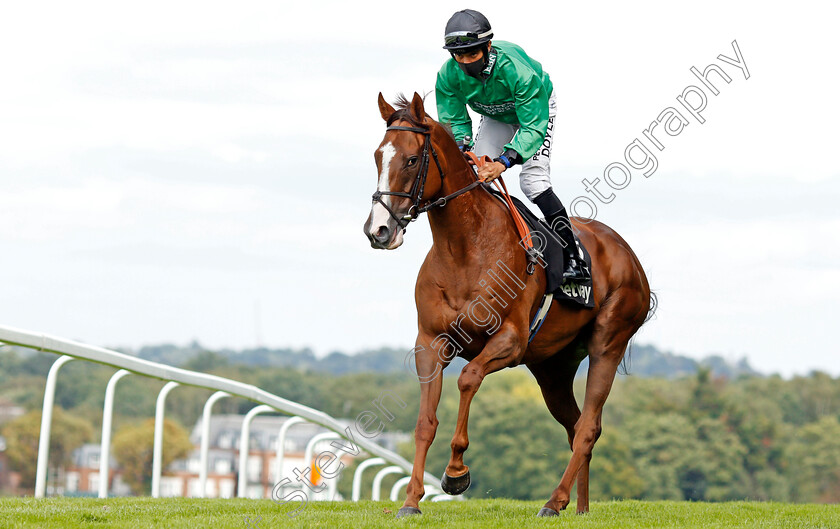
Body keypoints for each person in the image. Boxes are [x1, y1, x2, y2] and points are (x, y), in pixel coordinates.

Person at [435, 9, 587, 280]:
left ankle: (572, 255)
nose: (466, 62)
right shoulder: (447, 75)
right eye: (459, 56)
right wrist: (462, 148)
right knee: (475, 178)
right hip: (495, 115)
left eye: (472, 54)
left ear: (487, 46)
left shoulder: (515, 71)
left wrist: (504, 162)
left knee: (533, 182)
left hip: (535, 111)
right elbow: (454, 119)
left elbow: (531, 127)